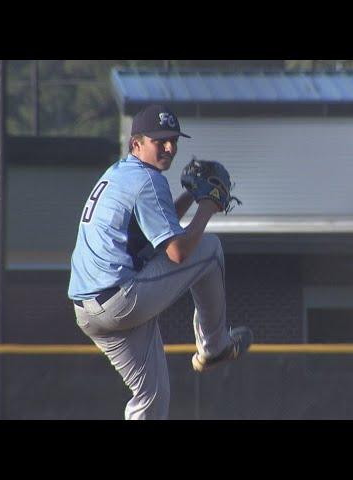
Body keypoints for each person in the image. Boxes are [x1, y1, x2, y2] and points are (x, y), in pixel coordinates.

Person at [68, 104, 253, 420]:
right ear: (136, 143)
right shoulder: (148, 181)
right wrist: (208, 205)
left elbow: (154, 233)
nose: (169, 147)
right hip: (122, 299)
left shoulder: (119, 174)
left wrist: (193, 197)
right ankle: (215, 346)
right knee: (209, 249)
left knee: (151, 397)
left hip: (87, 311)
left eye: (173, 139)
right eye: (159, 140)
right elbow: (178, 252)